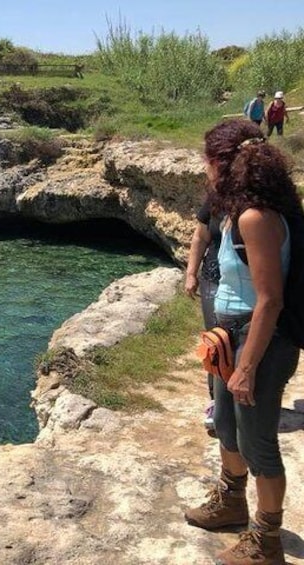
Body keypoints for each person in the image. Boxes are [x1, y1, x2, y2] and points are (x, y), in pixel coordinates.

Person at [184, 119, 303, 564]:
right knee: (227, 428)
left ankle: (266, 541)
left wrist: (248, 366)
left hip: (259, 341)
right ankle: (231, 503)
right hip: (228, 336)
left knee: (258, 443)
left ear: (226, 164)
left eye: (209, 160)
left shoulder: (256, 218)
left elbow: (270, 301)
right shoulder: (233, 212)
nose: (205, 168)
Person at [184, 197, 222, 435]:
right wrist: (191, 274)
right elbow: (200, 237)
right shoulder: (217, 200)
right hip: (214, 279)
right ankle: (216, 402)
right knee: (215, 342)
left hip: (252, 284)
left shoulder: (265, 200)